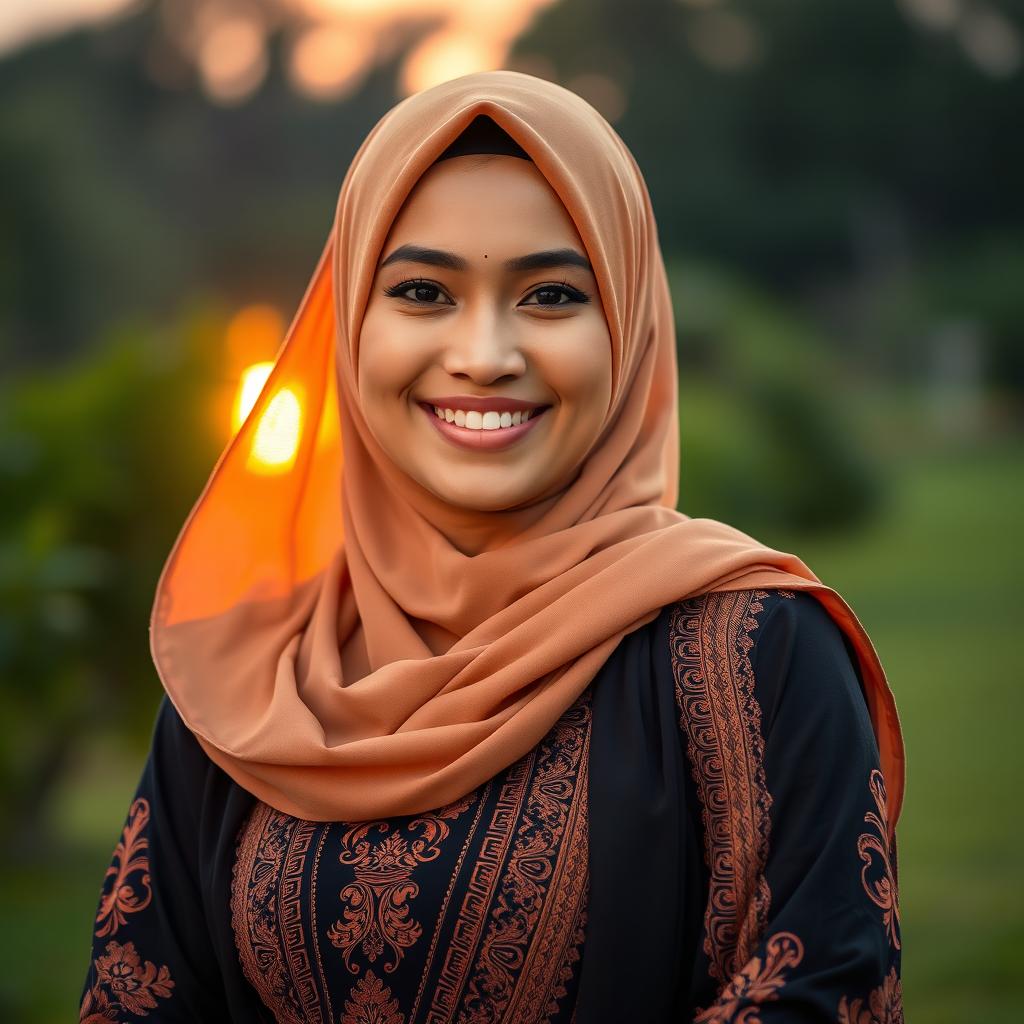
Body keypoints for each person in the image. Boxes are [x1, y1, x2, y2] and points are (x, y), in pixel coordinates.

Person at [78, 71, 905, 1023]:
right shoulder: (251, 673)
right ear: (349, 323)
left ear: (628, 325)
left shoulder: (754, 649)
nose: (484, 354)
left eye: (551, 295)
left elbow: (819, 995)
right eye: (423, 291)